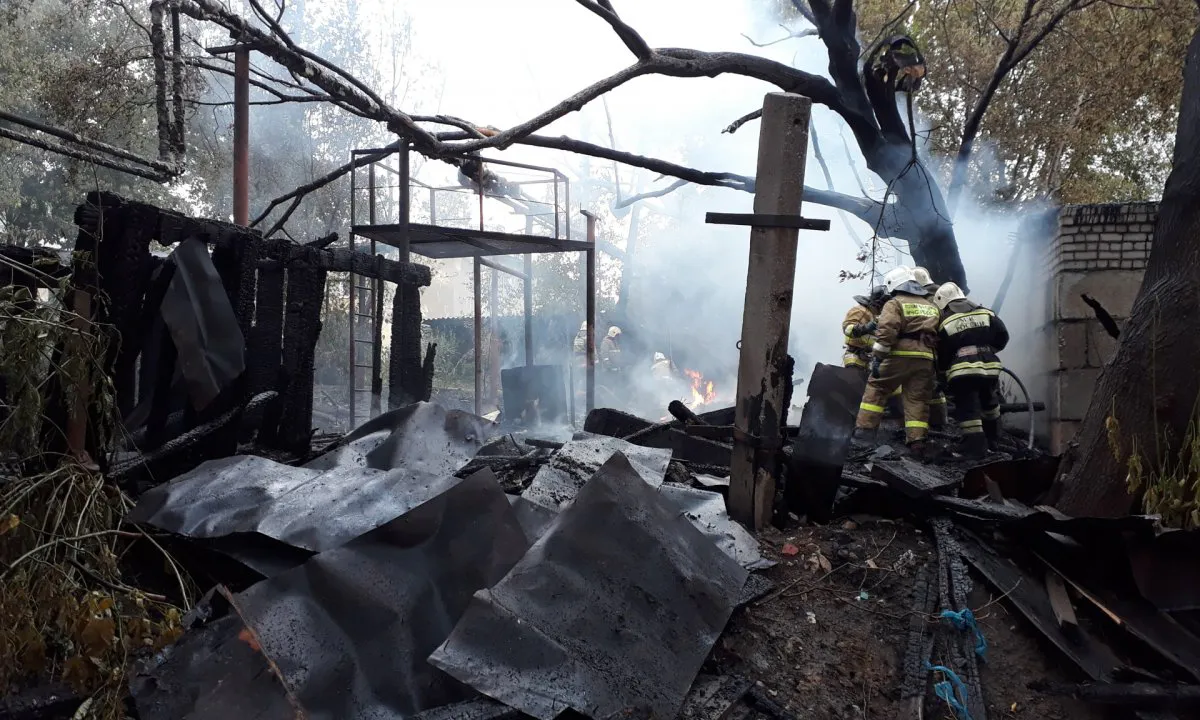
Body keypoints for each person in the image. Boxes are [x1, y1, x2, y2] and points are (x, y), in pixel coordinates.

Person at [853, 266, 941, 456]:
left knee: (877, 387)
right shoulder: (931, 305)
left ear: (894, 284)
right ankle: (917, 442)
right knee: (917, 399)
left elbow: (887, 331)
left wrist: (878, 358)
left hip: (899, 355)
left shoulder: (894, 303)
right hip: (926, 358)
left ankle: (864, 434)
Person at [932, 282, 1010, 457]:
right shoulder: (986, 313)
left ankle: (974, 446)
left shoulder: (946, 322)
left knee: (968, 408)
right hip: (990, 368)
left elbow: (943, 353)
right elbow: (1003, 336)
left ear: (942, 302)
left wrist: (942, 375)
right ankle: (993, 440)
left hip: (963, 372)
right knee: (990, 403)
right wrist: (988, 351)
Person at [912, 267, 948, 428]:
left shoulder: (923, 299)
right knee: (935, 384)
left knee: (927, 383)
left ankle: (931, 423)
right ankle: (940, 422)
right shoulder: (941, 294)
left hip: (928, 345)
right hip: (942, 345)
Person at [842, 285, 888, 374]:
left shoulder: (874, 315)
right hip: (854, 357)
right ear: (878, 304)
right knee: (853, 380)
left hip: (868, 360)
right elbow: (848, 329)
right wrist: (866, 328)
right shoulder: (860, 310)